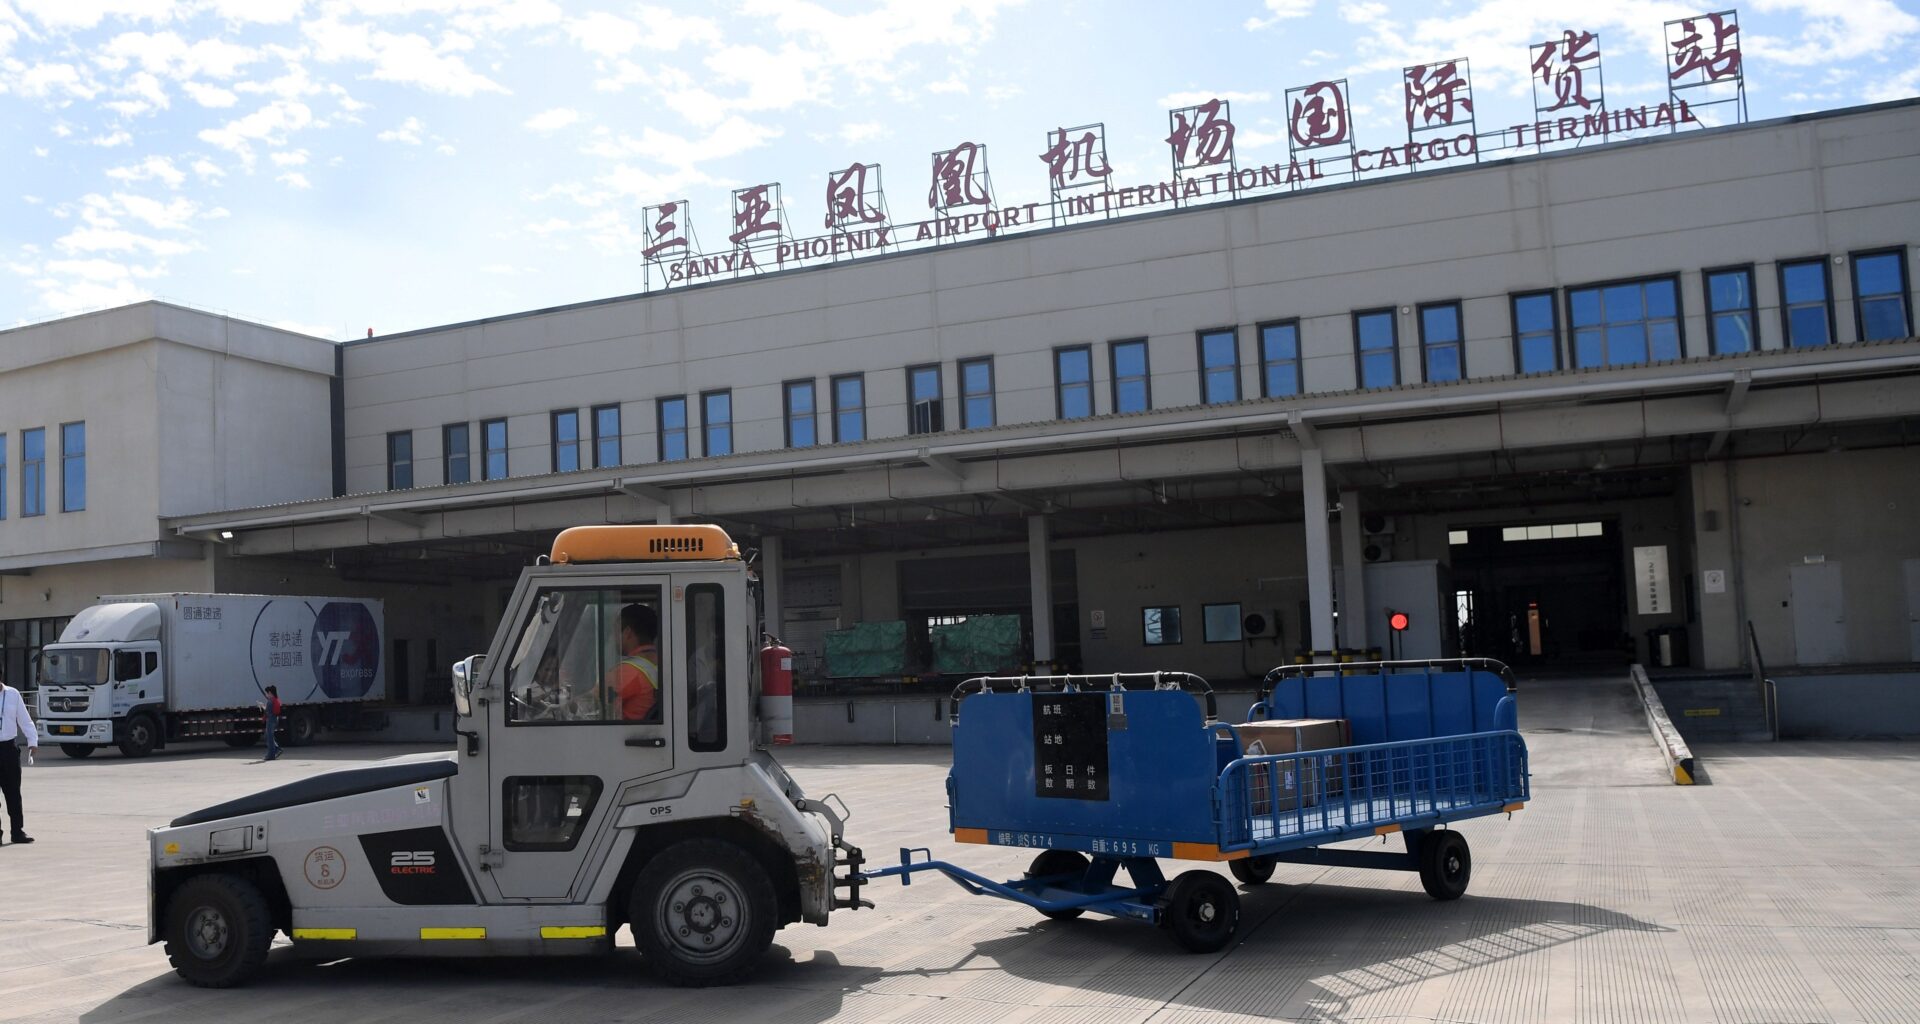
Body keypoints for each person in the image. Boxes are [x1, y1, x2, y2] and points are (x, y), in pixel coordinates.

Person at [0, 670, 38, 845]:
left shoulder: (13, 694)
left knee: (13, 793)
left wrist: (32, 741)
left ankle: (17, 832)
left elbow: (25, 719)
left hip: (9, 748)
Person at [608, 604, 661, 723]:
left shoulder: (628, 671)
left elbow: (587, 703)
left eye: (615, 631)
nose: (613, 637)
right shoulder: (664, 663)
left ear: (627, 632)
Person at [260, 685, 282, 761]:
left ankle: (271, 755)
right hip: (274, 719)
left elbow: (268, 712)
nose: (266, 695)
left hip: (270, 720)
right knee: (269, 736)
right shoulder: (275, 700)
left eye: (267, 693)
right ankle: (276, 749)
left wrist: (263, 707)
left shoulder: (270, 701)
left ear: (270, 693)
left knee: (269, 738)